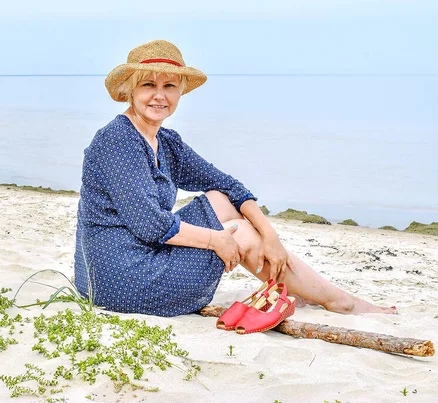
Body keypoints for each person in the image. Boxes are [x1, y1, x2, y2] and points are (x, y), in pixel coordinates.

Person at [74, 40, 396, 317]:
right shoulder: (117, 139)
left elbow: (228, 185)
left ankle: (307, 291)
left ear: (180, 91)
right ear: (131, 89)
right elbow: (152, 226)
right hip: (118, 281)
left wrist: (271, 235)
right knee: (236, 232)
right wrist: (218, 240)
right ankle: (338, 301)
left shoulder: (166, 143)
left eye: (169, 86)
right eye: (149, 85)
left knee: (222, 200)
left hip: (140, 259)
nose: (160, 96)